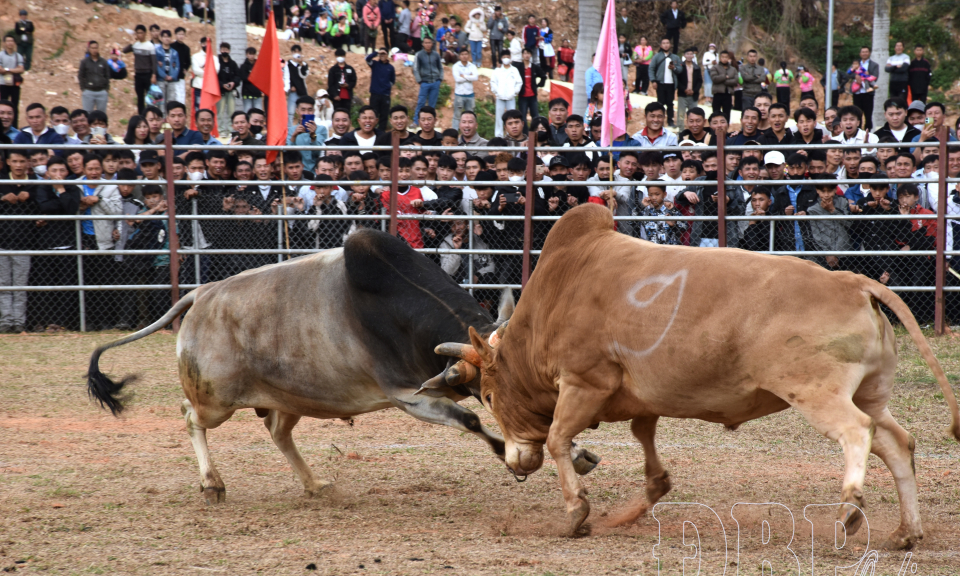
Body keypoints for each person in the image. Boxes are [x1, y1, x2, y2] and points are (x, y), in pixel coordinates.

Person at [0, 148, 37, 332]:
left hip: (24, 242)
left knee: (20, 286)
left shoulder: (34, 183)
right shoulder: (2, 181)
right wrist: (2, 198)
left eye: (22, 162)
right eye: (15, 161)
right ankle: (6, 322)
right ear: (8, 162)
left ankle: (19, 323)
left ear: (28, 163)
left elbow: (44, 203)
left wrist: (31, 197)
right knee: (4, 285)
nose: (19, 165)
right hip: (2, 242)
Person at [122, 25, 159, 115]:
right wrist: (132, 42)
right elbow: (124, 50)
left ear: (145, 33)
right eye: (137, 33)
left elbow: (154, 62)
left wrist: (154, 75)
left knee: (150, 97)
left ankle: (150, 115)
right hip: (138, 75)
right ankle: (141, 116)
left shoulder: (150, 46)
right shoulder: (135, 45)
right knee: (140, 97)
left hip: (148, 74)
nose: (139, 35)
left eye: (141, 33)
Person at [649, 38, 681, 127]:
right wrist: (653, 80)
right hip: (660, 83)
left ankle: (670, 121)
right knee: (660, 103)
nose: (666, 45)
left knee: (670, 103)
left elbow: (680, 69)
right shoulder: (657, 56)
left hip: (671, 84)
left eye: (667, 43)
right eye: (663, 43)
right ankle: (660, 121)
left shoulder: (675, 57)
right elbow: (651, 68)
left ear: (670, 45)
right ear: (661, 45)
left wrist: (674, 68)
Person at [490, 50, 522, 138]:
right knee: (499, 117)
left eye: (507, 57)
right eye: (504, 57)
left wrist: (514, 92)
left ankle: (510, 135)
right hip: (500, 97)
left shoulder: (514, 70)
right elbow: (493, 82)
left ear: (510, 58)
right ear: (501, 59)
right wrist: (497, 92)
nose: (506, 59)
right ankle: (498, 135)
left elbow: (519, 83)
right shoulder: (497, 71)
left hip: (510, 98)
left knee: (512, 117)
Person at [413, 37, 443, 123]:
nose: (427, 44)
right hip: (424, 82)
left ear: (432, 43)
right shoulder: (419, 54)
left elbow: (440, 67)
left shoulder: (436, 54)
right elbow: (416, 69)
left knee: (432, 105)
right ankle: (416, 121)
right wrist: (419, 80)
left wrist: (440, 78)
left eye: (429, 42)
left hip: (435, 82)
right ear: (423, 44)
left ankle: (431, 122)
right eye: (426, 43)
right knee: (421, 103)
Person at [366, 48, 396, 132]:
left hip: (385, 95)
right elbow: (367, 58)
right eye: (381, 54)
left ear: (387, 55)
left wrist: (385, 87)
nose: (382, 56)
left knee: (384, 116)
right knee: (373, 114)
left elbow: (392, 81)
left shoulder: (391, 67)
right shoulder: (374, 64)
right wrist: (377, 52)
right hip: (375, 94)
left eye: (384, 54)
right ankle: (371, 131)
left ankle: (381, 134)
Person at [850, 47, 880, 131]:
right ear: (860, 53)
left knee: (868, 114)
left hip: (868, 93)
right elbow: (848, 73)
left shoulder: (874, 65)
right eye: (863, 52)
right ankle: (857, 131)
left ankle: (868, 132)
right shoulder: (856, 63)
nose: (864, 53)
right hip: (857, 93)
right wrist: (856, 77)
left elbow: (875, 76)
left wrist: (864, 78)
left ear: (869, 53)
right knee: (857, 114)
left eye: (866, 52)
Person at [0, 35, 26, 128]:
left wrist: (7, 70)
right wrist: (14, 69)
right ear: (4, 43)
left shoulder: (18, 56)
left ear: (14, 43)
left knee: (15, 106)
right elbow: (0, 70)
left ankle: (14, 127)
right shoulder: (1, 55)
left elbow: (21, 69)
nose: (10, 43)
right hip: (3, 84)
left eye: (11, 41)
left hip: (15, 84)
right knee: (2, 106)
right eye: (8, 41)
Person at [78, 41, 111, 114]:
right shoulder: (84, 62)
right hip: (89, 91)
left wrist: (106, 89)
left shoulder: (103, 62)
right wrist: (83, 89)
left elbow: (107, 75)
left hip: (101, 92)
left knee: (101, 114)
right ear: (89, 49)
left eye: (96, 48)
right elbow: (81, 76)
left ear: (98, 48)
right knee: (87, 114)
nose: (94, 50)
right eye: (92, 48)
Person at [215, 43, 240, 135]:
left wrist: (233, 83)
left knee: (231, 112)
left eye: (226, 49)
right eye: (222, 49)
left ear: (229, 51)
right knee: (220, 112)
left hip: (231, 91)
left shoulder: (233, 64)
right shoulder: (216, 62)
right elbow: (214, 77)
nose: (224, 51)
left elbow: (238, 77)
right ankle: (221, 131)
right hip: (220, 91)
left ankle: (230, 131)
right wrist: (222, 85)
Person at [676, 48, 701, 131]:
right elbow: (677, 80)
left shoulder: (697, 67)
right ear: (684, 55)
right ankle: (680, 131)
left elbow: (699, 81)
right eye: (688, 54)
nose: (689, 56)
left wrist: (694, 90)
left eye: (691, 54)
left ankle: (693, 131)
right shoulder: (680, 66)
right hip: (682, 94)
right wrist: (684, 89)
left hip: (693, 95)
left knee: (694, 114)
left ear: (693, 56)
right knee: (681, 114)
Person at [190, 37, 217, 113]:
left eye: (208, 43)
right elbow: (196, 70)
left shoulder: (214, 58)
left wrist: (204, 70)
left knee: (209, 109)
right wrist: (209, 72)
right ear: (201, 44)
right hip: (199, 86)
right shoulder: (195, 57)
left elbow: (216, 71)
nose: (206, 45)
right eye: (204, 43)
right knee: (198, 108)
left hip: (210, 88)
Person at [709, 50, 737, 121]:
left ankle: (726, 130)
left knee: (727, 114)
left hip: (728, 94)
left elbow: (735, 81)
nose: (724, 59)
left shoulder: (733, 69)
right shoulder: (715, 67)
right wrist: (725, 76)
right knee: (715, 114)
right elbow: (714, 79)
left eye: (726, 57)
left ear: (728, 58)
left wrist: (723, 80)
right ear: (720, 58)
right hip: (717, 94)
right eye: (723, 57)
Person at [156, 30, 182, 108]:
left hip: (172, 80)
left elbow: (178, 65)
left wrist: (172, 76)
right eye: (164, 36)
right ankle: (163, 119)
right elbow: (156, 65)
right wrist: (164, 76)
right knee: (161, 102)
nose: (166, 38)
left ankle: (170, 119)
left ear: (170, 38)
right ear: (161, 38)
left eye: (168, 36)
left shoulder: (174, 52)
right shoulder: (157, 51)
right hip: (161, 80)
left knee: (171, 101)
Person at [286, 45, 310, 125]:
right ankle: (289, 129)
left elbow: (304, 75)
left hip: (302, 91)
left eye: (298, 51)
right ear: (292, 53)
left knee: (305, 111)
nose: (297, 53)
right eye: (295, 52)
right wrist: (290, 86)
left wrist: (301, 64)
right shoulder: (288, 65)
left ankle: (306, 127)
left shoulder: (304, 65)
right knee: (290, 112)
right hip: (293, 92)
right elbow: (286, 76)